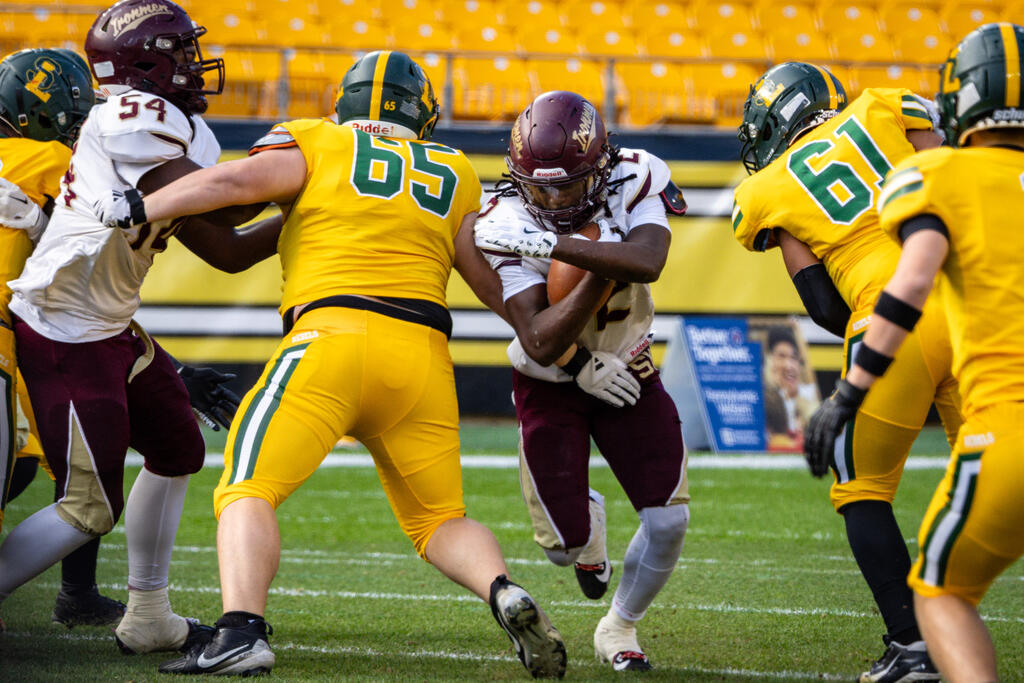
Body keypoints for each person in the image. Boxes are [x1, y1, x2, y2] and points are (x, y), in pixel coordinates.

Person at [96, 50, 567, 678]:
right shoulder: (454, 169)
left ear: (344, 102)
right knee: (439, 520)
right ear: (422, 114)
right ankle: (502, 590)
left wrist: (141, 205)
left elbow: (233, 186)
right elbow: (485, 279)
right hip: (422, 358)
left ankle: (241, 631)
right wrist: (542, 331)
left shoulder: (318, 139)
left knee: (247, 488)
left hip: (330, 339)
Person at [0, 0, 257, 654]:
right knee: (89, 506)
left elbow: (227, 249)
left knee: (178, 448)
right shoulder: (126, 117)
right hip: (64, 332)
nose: (194, 64)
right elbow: (229, 206)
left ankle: (148, 614)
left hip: (109, 325)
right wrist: (311, 176)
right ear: (144, 65)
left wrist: (314, 220)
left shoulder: (170, 128)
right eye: (180, 53)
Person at [806, 23, 1024, 683]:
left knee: (939, 593)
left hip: (1010, 427)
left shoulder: (935, 173)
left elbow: (913, 279)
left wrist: (850, 391)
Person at [732, 62, 960, 682]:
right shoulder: (885, 104)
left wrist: (884, 341)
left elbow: (824, 306)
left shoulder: (767, 189)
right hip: (972, 303)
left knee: (861, 487)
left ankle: (912, 645)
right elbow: (951, 182)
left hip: (886, 316)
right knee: (1002, 468)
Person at [473, 90, 690, 672]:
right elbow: (540, 338)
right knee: (563, 549)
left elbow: (648, 261)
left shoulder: (635, 174)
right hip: (548, 378)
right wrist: (596, 269)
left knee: (669, 520)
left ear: (600, 165)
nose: (551, 199)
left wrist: (560, 248)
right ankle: (588, 528)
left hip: (628, 365)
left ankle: (620, 626)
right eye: (540, 188)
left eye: (567, 187)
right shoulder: (503, 219)